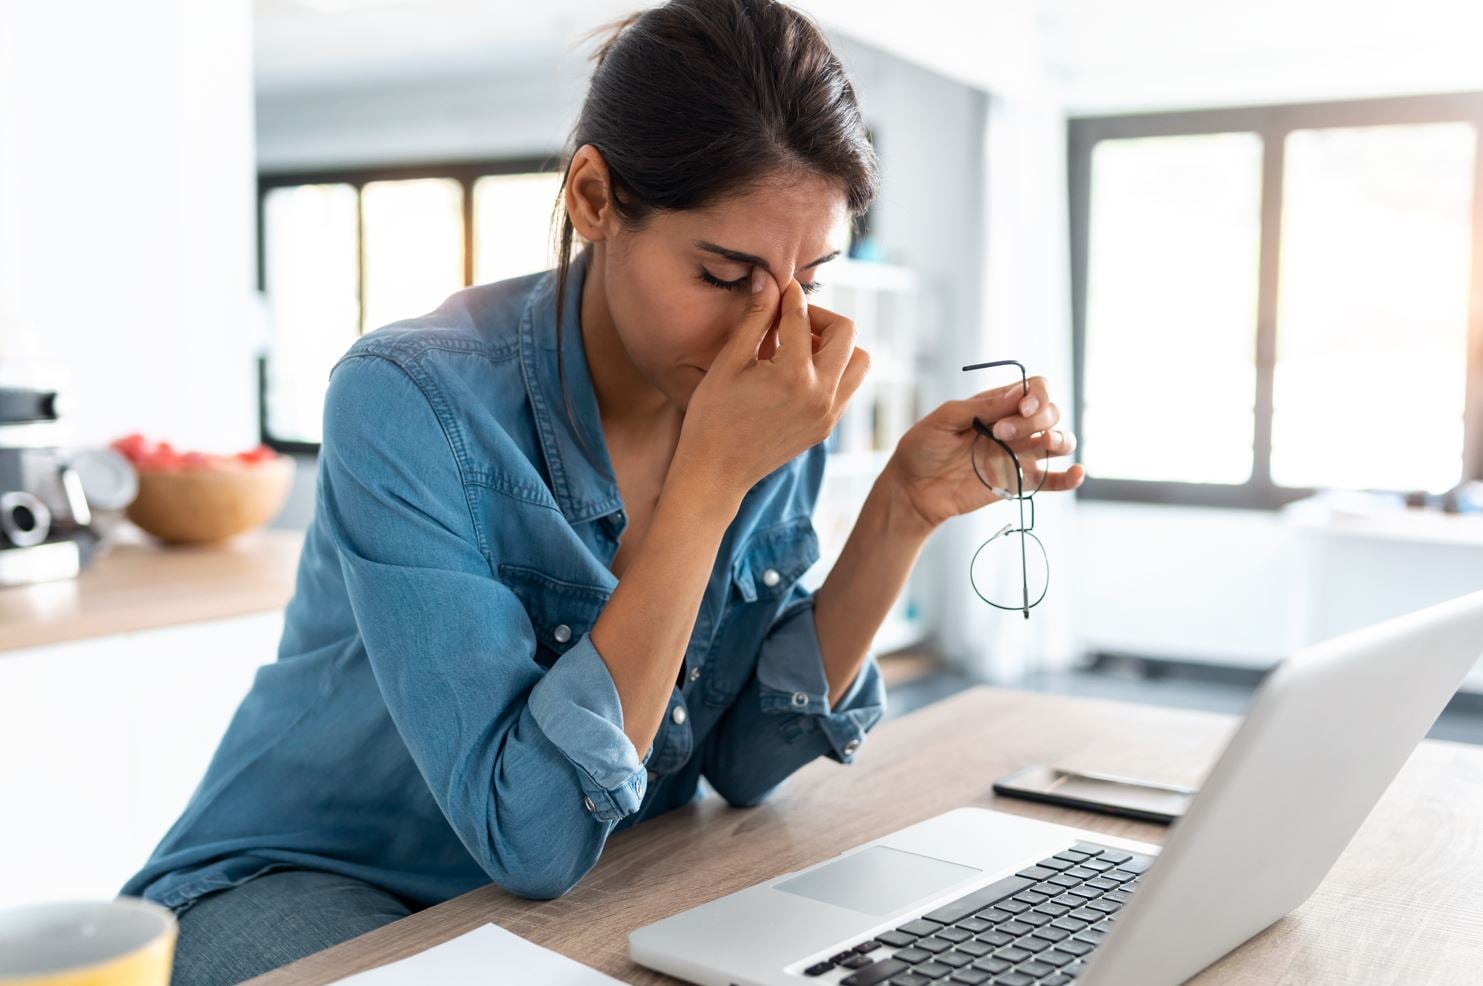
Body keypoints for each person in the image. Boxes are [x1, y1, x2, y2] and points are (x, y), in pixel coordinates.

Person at [118, 0, 1084, 981]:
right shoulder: (410, 398)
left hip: (567, 889)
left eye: (811, 275)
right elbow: (528, 833)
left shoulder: (755, 391)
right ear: (592, 196)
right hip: (309, 879)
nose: (773, 332)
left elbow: (747, 758)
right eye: (723, 271)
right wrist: (708, 483)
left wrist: (899, 512)